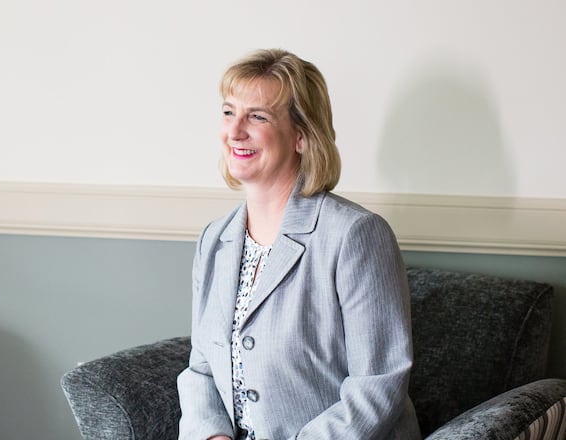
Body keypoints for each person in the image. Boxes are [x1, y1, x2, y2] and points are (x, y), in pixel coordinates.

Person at [176, 49, 422, 440]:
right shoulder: (214, 240)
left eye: (257, 116)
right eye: (228, 112)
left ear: (301, 136)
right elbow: (202, 369)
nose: (235, 131)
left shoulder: (356, 235)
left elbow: (378, 385)